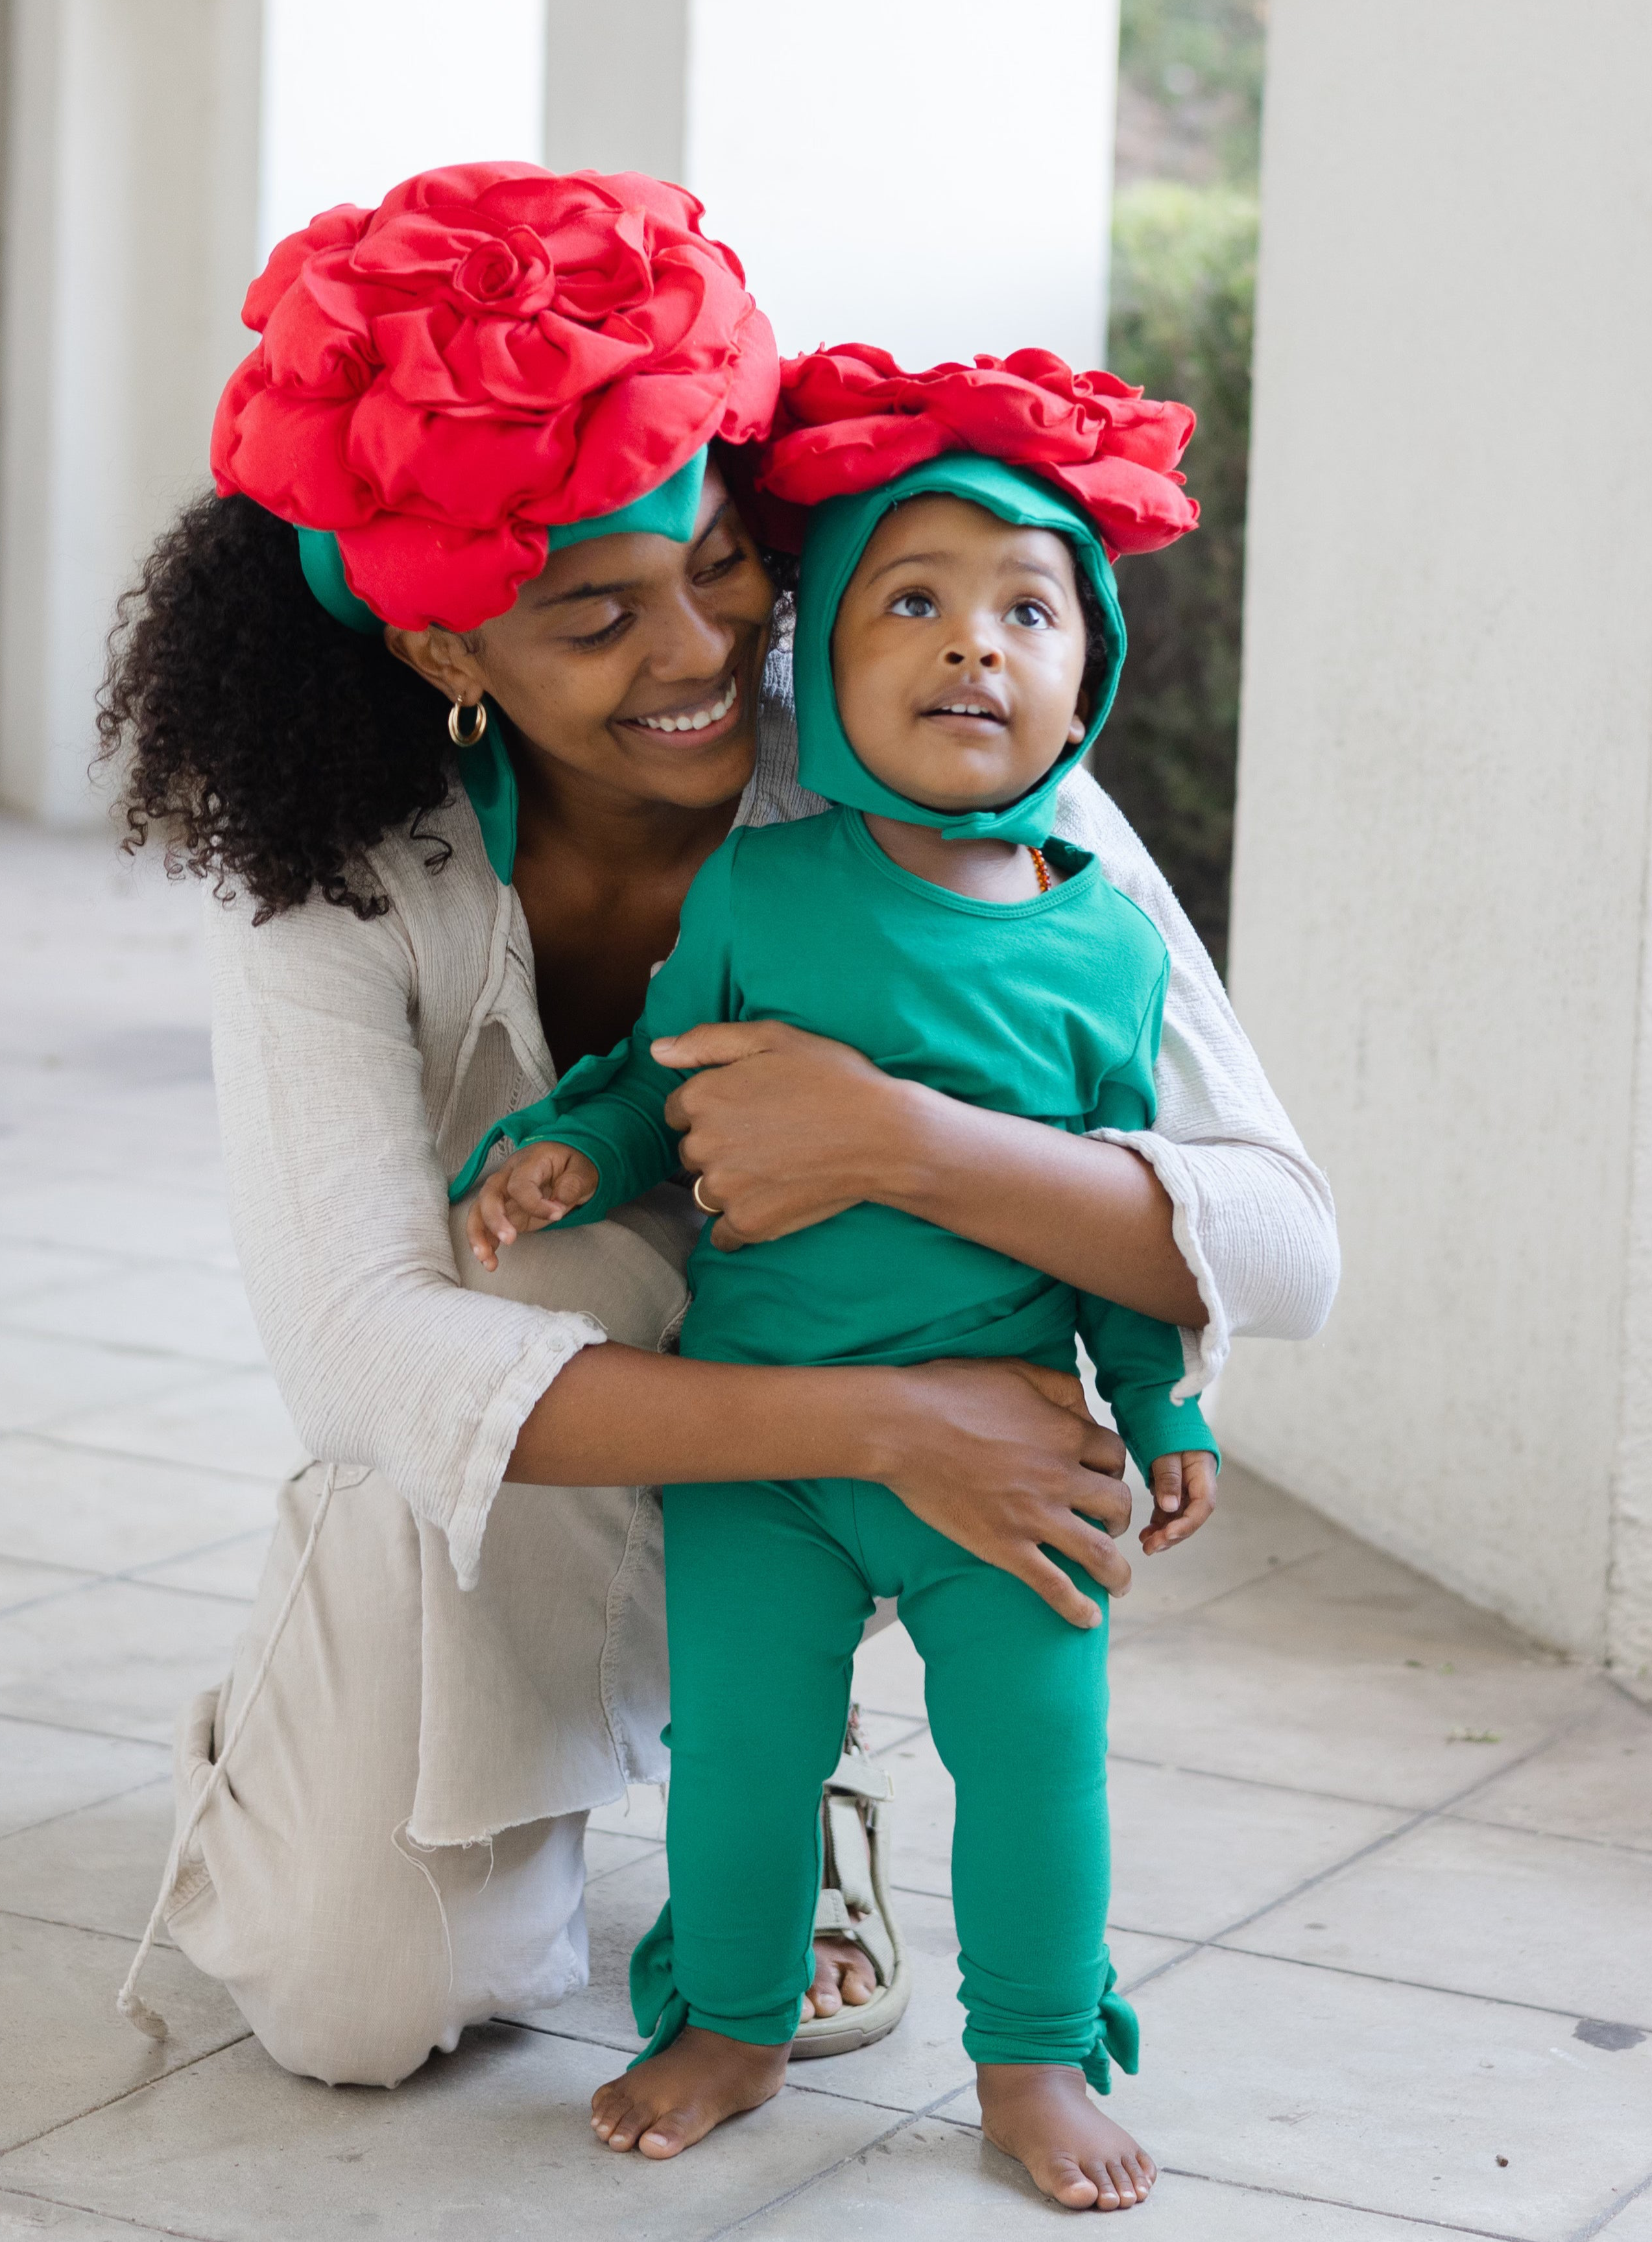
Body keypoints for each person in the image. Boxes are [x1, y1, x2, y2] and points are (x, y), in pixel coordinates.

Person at [99, 161, 1338, 2101]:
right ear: (447, 653)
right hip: (530, 1452)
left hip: (815, 1364)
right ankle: (372, 1750)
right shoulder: (338, 876)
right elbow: (360, 1355)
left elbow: (1283, 1244)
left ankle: (777, 1772)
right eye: (591, 614)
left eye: (727, 564)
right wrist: (889, 1425)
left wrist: (900, 1143)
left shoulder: (941, 748)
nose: (699, 655)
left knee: (623, 1274)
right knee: (358, 2007)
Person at [462, 342, 1221, 2210]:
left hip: (1017, 1456)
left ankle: (1035, 2049)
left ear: (1085, 674)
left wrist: (1166, 1397)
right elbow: (662, 1079)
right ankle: (730, 2015)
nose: (975, 645)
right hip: (771, 1464)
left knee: (1040, 1769)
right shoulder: (766, 888)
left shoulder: (1110, 951)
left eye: (1026, 611)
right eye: (914, 599)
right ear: (826, 667)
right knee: (743, 1753)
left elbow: (1134, 1209)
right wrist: (572, 1150)